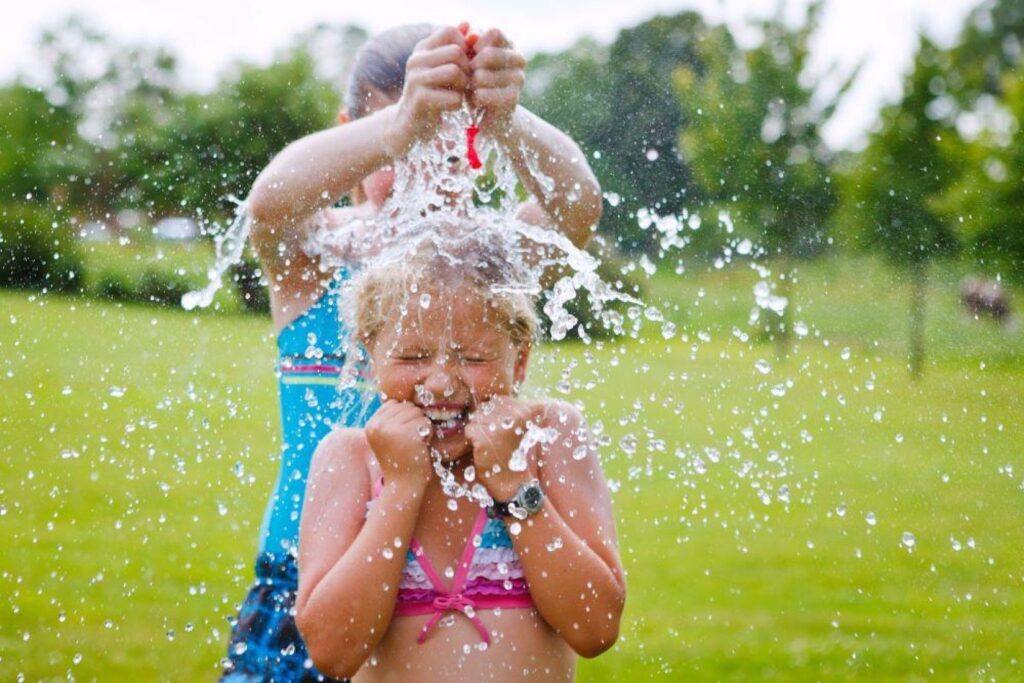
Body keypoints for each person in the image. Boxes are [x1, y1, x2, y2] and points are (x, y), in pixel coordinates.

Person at [221, 22, 603, 681]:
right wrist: (403, 124)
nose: (422, 170)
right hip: (305, 574)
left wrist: (508, 119)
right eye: (401, 149)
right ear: (353, 135)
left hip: (459, 569)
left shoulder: (490, 267)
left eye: (446, 149)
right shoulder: (321, 257)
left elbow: (576, 209)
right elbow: (271, 204)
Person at [296, 236, 625, 681]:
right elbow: (334, 652)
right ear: (371, 356)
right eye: (412, 356)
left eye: (473, 357)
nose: (440, 382)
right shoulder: (349, 458)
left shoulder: (548, 439)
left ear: (521, 359)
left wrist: (512, 484)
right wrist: (402, 488)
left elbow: (596, 627)